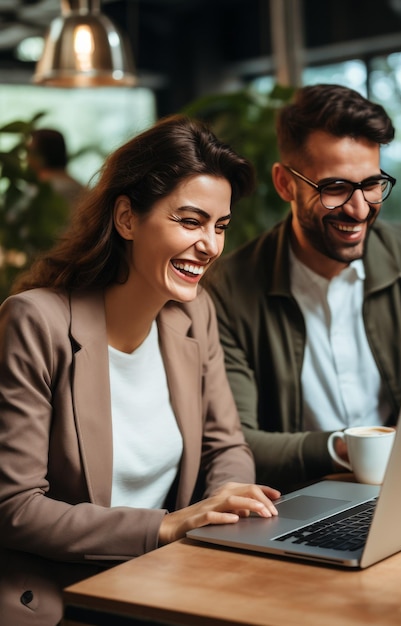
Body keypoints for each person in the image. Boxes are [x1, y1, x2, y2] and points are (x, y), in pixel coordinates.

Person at [0, 114, 280, 626]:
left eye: (220, 227)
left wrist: (224, 496)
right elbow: (15, 508)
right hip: (68, 597)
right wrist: (164, 527)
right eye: (191, 222)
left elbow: (227, 446)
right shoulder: (35, 320)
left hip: (171, 581)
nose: (211, 246)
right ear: (127, 218)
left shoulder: (196, 315)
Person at [203, 83, 401, 493]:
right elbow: (235, 443)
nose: (360, 208)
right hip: (296, 497)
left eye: (371, 183)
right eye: (335, 188)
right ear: (285, 184)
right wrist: (347, 448)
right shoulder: (228, 290)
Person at [26, 128, 85, 211]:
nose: (26, 158)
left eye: (29, 152)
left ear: (40, 157)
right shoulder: (79, 188)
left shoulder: (40, 192)